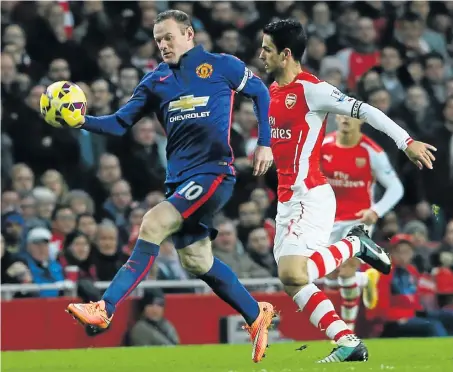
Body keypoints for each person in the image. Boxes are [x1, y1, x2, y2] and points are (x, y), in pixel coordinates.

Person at [49, 10, 275, 363]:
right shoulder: (155, 81)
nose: (163, 45)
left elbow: (261, 91)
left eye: (168, 37)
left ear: (188, 33)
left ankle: (104, 307)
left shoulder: (221, 65)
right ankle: (255, 314)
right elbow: (120, 123)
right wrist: (82, 121)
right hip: (181, 180)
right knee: (197, 260)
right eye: (157, 40)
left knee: (153, 222)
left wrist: (265, 142)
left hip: (214, 172)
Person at [259, 19, 436, 363]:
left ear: (286, 54)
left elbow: (366, 111)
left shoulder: (313, 89)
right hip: (287, 200)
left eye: (267, 48)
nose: (261, 54)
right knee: (295, 282)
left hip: (309, 195)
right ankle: (348, 341)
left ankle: (356, 243)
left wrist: (407, 142)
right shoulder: (272, 91)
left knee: (292, 272)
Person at [321, 114, 404, 332]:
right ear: (336, 118)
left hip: (359, 219)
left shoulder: (372, 151)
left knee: (346, 269)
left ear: (361, 121)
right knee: (330, 278)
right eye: (341, 114)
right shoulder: (324, 144)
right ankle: (365, 279)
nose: (346, 119)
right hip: (328, 218)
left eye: (351, 116)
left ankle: (346, 332)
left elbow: (396, 188)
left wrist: (376, 211)